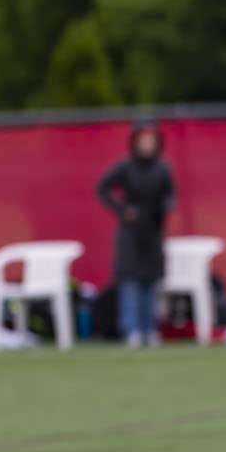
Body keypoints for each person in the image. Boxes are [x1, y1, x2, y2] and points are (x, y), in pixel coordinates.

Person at [96, 121, 177, 348]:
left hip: (152, 231)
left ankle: (150, 329)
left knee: (151, 284)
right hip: (131, 233)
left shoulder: (162, 168)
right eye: (143, 141)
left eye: (151, 141)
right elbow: (102, 187)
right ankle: (131, 330)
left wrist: (165, 206)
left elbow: (170, 195)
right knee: (130, 283)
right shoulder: (126, 166)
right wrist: (123, 210)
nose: (147, 145)